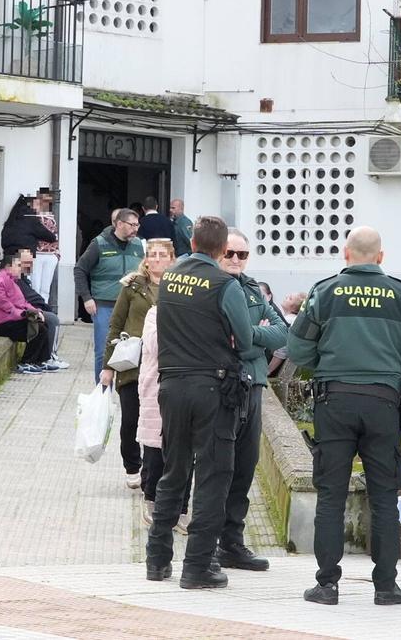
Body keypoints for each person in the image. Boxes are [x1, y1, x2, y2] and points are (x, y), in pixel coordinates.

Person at [288, 226, 401, 607]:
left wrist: (331, 363)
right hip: (385, 405)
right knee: (385, 496)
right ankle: (386, 586)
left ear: (345, 253)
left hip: (333, 402)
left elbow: (298, 349)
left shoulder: (325, 291)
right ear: (381, 257)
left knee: (331, 495)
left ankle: (327, 585)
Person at [145, 216, 254, 590]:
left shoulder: (170, 278)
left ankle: (157, 559)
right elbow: (246, 339)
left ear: (191, 243)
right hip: (212, 388)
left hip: (172, 386)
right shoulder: (226, 284)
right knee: (212, 476)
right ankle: (197, 567)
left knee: (173, 471)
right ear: (223, 249)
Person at [215, 228, 288, 572]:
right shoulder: (213, 286)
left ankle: (233, 543)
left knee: (245, 467)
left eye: (241, 255)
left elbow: (282, 332)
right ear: (218, 252)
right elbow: (232, 341)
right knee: (219, 466)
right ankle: (210, 542)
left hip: (254, 384)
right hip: (222, 385)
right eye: (229, 253)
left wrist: (249, 331)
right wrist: (253, 334)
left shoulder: (253, 288)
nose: (235, 260)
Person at [101, 238, 176, 491]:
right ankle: (132, 465)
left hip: (162, 364)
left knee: (156, 421)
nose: (156, 259)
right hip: (133, 361)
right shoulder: (133, 286)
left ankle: (153, 471)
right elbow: (116, 324)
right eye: (152, 254)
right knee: (131, 419)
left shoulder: (176, 287)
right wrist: (107, 366)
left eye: (161, 255)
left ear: (171, 259)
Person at [137, 304, 193, 533]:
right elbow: (155, 344)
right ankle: (152, 501)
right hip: (157, 388)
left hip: (188, 388)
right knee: (155, 450)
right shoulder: (154, 313)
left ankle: (181, 508)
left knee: (186, 451)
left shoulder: (196, 311)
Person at [73, 209, 143, 377]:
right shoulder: (99, 243)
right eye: (132, 225)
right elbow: (80, 270)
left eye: (137, 225)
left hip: (131, 305)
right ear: (119, 224)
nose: (136, 229)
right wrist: (87, 298)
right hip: (104, 305)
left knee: (133, 350)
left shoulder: (138, 244)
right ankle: (103, 393)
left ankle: (126, 392)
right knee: (104, 352)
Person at [0, 252, 53, 374]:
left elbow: (22, 302)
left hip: (11, 319)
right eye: (17, 265)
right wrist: (24, 315)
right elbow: (8, 307)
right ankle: (26, 362)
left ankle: (41, 360)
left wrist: (35, 311)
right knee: (37, 329)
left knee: (43, 324)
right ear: (8, 266)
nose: (20, 269)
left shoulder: (12, 281)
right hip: (0, 324)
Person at [14, 248, 69, 371]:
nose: (28, 266)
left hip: (30, 309)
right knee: (51, 320)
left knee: (47, 321)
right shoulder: (14, 279)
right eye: (25, 263)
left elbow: (31, 296)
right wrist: (37, 310)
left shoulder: (23, 279)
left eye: (29, 262)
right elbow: (24, 299)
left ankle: (43, 358)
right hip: (22, 312)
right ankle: (46, 357)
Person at [31, 188, 60, 305]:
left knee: (45, 289)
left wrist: (56, 254)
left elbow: (55, 236)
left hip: (50, 255)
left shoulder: (51, 216)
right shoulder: (32, 215)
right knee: (35, 287)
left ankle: (43, 313)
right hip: (37, 254)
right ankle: (35, 313)